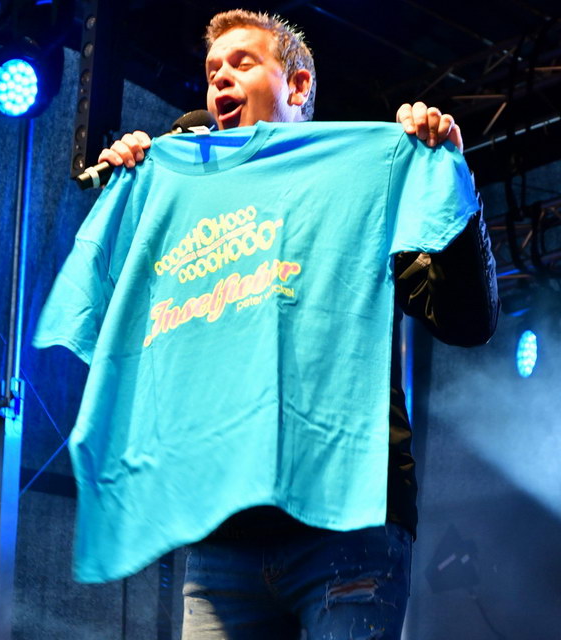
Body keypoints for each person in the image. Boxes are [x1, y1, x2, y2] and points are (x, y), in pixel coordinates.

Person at [88, 9, 499, 640]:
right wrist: (136, 196)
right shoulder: (194, 211)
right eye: (211, 70)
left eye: (242, 63)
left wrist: (452, 183)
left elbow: (468, 320)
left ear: (298, 86)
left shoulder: (362, 182)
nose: (219, 78)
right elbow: (133, 328)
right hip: (224, 539)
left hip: (347, 525)